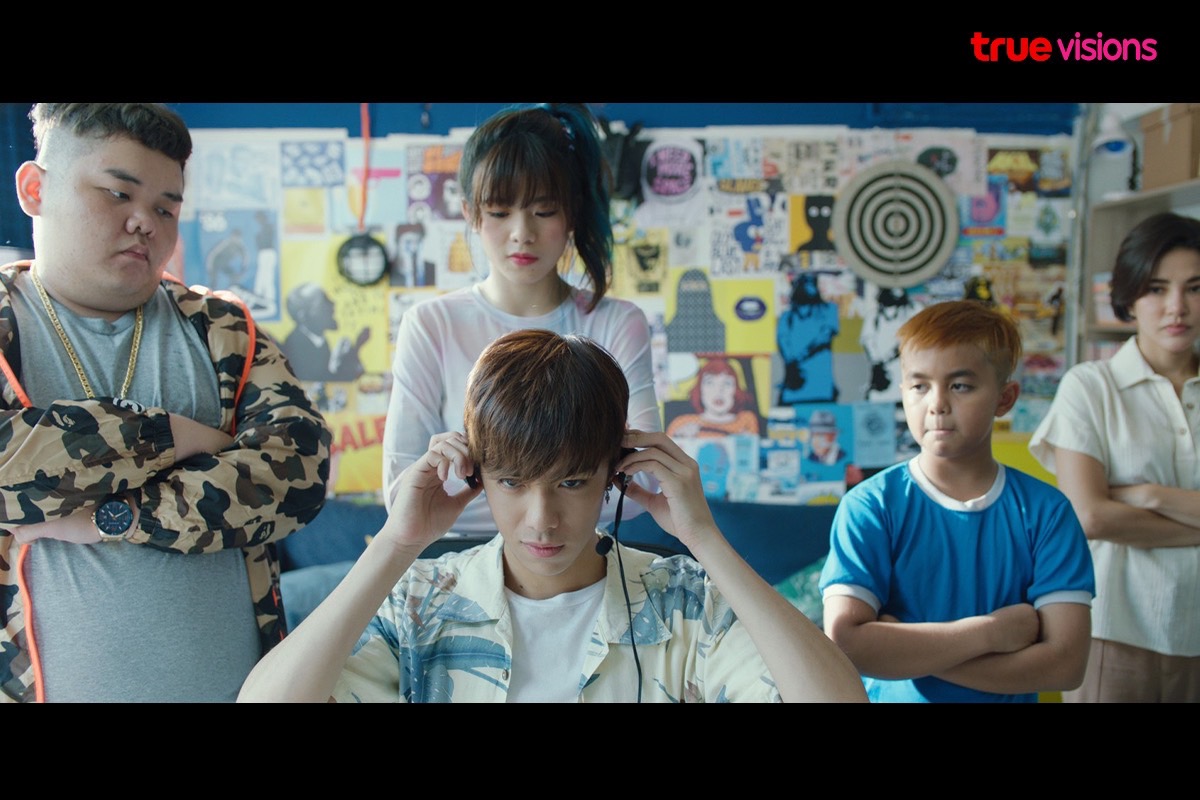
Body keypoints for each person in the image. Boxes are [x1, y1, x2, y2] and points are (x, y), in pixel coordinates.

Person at [239, 329, 867, 703]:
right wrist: (395, 545)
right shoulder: (421, 600)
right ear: (478, 473)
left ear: (615, 473)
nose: (542, 520)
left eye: (572, 481)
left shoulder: (683, 600)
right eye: (512, 482)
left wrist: (704, 539)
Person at [0, 103, 332, 703]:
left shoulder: (224, 330)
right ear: (35, 189)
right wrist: (170, 436)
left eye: (165, 208)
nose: (144, 223)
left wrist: (114, 518)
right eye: (117, 194)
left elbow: (298, 476)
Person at [383, 103, 660, 534]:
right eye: (499, 212)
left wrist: (470, 477)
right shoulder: (431, 324)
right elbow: (401, 495)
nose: (521, 233)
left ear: (572, 213)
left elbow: (644, 481)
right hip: (460, 556)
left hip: (578, 552)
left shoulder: (618, 322)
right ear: (470, 213)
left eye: (543, 211)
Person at [819, 299, 1094, 703]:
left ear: (1005, 398)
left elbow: (1066, 665)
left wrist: (902, 648)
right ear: (903, 392)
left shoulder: (1048, 513)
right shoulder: (869, 506)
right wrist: (990, 633)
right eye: (919, 386)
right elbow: (846, 644)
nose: (937, 404)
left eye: (960, 385)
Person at [1030, 211, 1200, 702]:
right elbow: (1091, 517)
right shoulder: (1090, 387)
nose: (1177, 307)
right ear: (1128, 296)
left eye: (1194, 288)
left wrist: (1148, 495)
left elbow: (1108, 512)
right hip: (1115, 629)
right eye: (1157, 289)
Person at [282, 282, 371, 382]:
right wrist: (337, 361)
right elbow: (317, 383)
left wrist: (355, 349)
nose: (333, 304)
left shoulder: (319, 341)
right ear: (303, 316)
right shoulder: (296, 346)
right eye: (324, 302)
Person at [665, 357, 760, 438]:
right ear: (700, 389)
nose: (718, 391)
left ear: (736, 390)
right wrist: (680, 439)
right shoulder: (682, 423)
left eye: (727, 383)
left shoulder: (745, 420)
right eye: (710, 383)